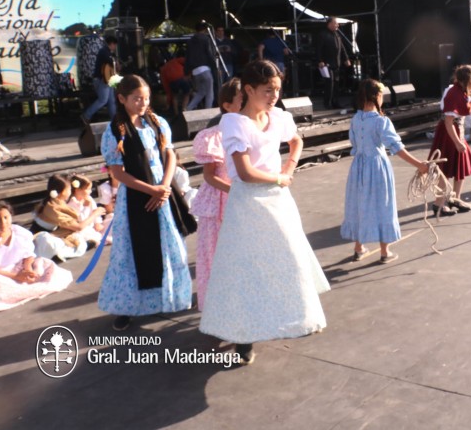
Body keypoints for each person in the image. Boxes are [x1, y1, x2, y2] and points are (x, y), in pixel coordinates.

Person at [200, 60, 329, 366]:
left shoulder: (279, 117)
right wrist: (279, 178)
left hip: (277, 199)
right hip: (248, 203)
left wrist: (290, 166)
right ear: (248, 90)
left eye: (277, 90)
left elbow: (297, 140)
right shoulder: (233, 123)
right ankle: (244, 337)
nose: (274, 95)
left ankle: (292, 319)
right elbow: (244, 173)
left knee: (287, 259)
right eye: (267, 90)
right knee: (246, 269)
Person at [98, 74, 192, 332]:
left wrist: (163, 187)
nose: (143, 102)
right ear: (122, 99)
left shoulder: (157, 122)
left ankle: (166, 298)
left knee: (168, 246)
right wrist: (151, 189)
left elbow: (170, 154)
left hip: (162, 191)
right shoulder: (114, 130)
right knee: (130, 254)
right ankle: (126, 307)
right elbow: (116, 172)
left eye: (146, 97)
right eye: (137, 98)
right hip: (136, 196)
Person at [342, 79, 429, 264]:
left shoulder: (356, 119)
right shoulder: (381, 121)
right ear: (377, 96)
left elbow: (354, 144)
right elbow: (396, 147)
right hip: (377, 167)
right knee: (383, 205)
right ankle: (384, 251)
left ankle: (358, 248)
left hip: (358, 167)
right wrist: (419, 164)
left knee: (359, 204)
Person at [189, 78, 242, 311]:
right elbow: (209, 176)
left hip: (241, 199)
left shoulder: (249, 128)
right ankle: (219, 305)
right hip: (221, 201)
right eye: (243, 99)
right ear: (227, 105)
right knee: (217, 254)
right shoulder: (214, 135)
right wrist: (235, 190)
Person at [0, 201, 72, 316]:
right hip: (1, 274)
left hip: (19, 267)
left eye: (6, 217)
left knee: (44, 264)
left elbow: (28, 254)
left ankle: (22, 288)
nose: (3, 223)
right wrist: (16, 276)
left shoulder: (19, 232)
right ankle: (15, 291)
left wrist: (27, 269)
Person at [429, 64, 471, 217]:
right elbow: (448, 122)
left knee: (460, 167)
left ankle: (455, 199)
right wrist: (458, 142)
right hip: (449, 134)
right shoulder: (454, 93)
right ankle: (438, 204)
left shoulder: (463, 92)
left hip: (456, 131)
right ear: (467, 80)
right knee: (444, 170)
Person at [32, 175, 103, 260]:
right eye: (69, 189)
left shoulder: (57, 202)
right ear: (62, 192)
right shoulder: (53, 208)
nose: (70, 192)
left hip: (54, 233)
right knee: (54, 243)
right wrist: (94, 214)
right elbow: (78, 227)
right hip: (40, 238)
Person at [81, 35, 118, 125]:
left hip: (107, 79)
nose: (115, 47)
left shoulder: (107, 52)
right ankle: (86, 115)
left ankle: (115, 120)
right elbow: (109, 61)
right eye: (115, 45)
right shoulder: (104, 51)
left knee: (111, 100)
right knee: (103, 100)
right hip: (102, 79)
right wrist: (116, 63)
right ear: (112, 44)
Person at [316, 18, 351, 109]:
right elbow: (318, 49)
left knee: (336, 83)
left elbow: (342, 48)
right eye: (336, 23)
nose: (337, 25)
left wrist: (346, 58)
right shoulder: (322, 35)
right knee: (329, 83)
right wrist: (320, 60)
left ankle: (335, 102)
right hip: (326, 63)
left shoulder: (337, 35)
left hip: (336, 63)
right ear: (330, 24)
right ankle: (327, 103)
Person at [186, 21, 217, 110]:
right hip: (205, 68)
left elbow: (187, 57)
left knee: (201, 92)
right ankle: (208, 112)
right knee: (210, 92)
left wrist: (187, 72)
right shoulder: (205, 39)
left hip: (195, 71)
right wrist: (215, 66)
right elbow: (209, 53)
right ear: (205, 30)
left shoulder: (190, 41)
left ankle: (189, 108)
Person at [160, 51, 191, 116]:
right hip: (182, 78)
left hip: (172, 82)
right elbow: (187, 60)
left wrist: (168, 101)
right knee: (187, 93)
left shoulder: (163, 69)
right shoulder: (176, 60)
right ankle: (184, 108)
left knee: (175, 96)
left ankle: (176, 113)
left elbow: (166, 86)